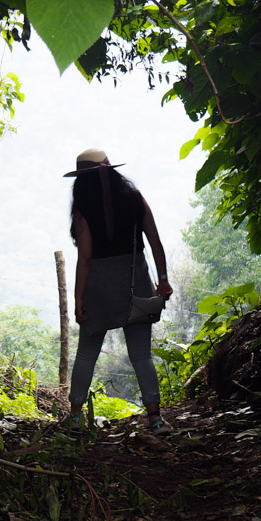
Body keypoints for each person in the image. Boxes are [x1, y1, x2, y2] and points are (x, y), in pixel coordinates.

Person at [63, 148, 174, 433]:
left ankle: (75, 418)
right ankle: (156, 419)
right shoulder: (134, 199)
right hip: (135, 284)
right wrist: (162, 279)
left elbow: (85, 259)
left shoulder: (82, 209)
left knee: (87, 354)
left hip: (99, 289)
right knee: (141, 355)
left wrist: (78, 299)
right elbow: (156, 242)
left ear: (81, 180)